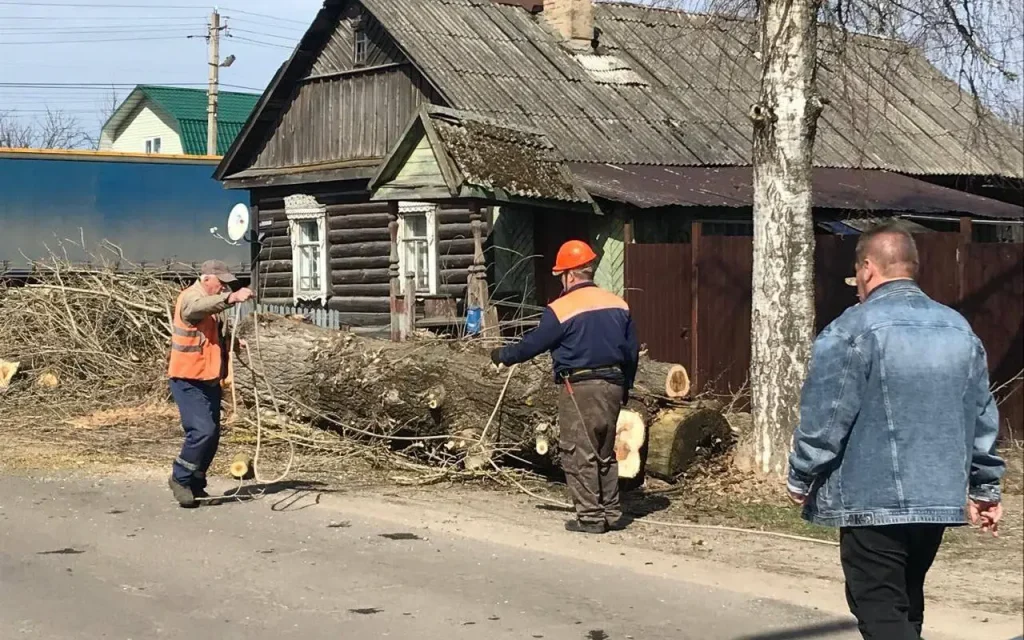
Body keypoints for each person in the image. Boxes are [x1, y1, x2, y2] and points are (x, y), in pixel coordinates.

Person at [787, 222, 1005, 639]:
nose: (856, 288)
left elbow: (826, 418)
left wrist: (801, 474)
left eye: (856, 278)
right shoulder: (959, 329)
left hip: (872, 498)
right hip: (938, 497)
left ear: (868, 268)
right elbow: (981, 417)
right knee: (905, 601)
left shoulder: (851, 331)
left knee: (879, 607)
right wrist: (985, 488)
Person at [491, 240, 639, 534]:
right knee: (604, 451)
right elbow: (631, 351)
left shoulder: (561, 308)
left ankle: (591, 517)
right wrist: (626, 387)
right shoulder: (618, 304)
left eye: (561, 275)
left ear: (570, 275)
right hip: (613, 382)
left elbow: (533, 343)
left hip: (580, 386)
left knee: (578, 450)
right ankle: (610, 512)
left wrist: (503, 355)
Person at [167, 260, 253, 508]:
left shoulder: (213, 305)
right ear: (207, 279)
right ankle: (179, 478)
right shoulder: (191, 297)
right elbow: (196, 310)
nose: (223, 288)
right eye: (221, 283)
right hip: (187, 377)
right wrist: (231, 298)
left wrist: (232, 342)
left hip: (209, 378)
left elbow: (210, 336)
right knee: (202, 431)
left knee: (212, 434)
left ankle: (195, 482)